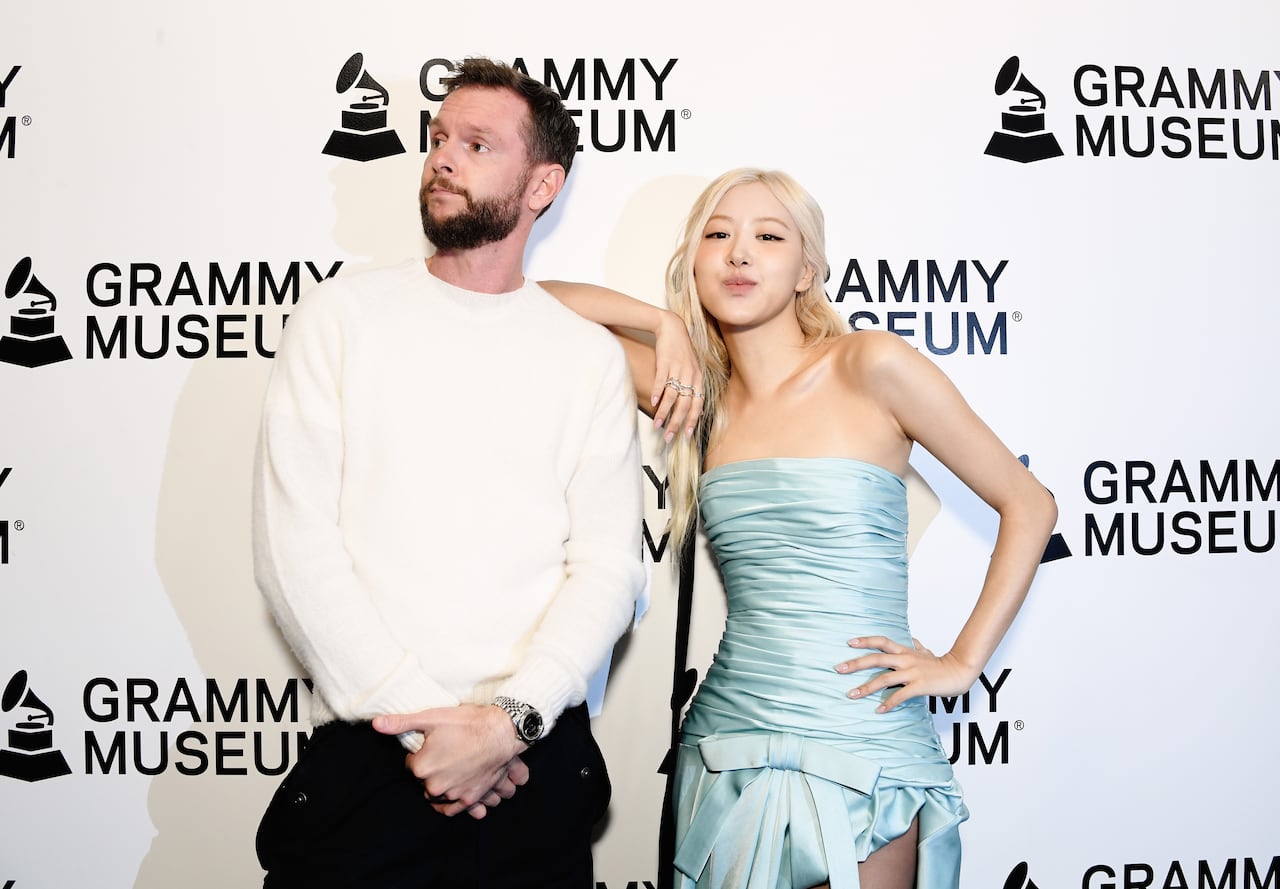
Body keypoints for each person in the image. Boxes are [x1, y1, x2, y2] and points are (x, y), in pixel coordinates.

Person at [544, 168, 1057, 889]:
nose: (739, 253)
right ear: (693, 261)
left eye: (768, 236)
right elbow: (531, 307)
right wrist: (664, 324)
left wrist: (963, 660)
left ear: (806, 271)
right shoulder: (699, 397)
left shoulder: (870, 364)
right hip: (730, 735)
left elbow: (1030, 504)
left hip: (862, 729)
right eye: (717, 235)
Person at [251, 57, 648, 888]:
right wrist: (428, 733)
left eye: (476, 144)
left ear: (543, 185)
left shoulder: (584, 358)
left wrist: (506, 723)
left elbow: (611, 566)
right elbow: (296, 550)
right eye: (437, 139)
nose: (441, 158)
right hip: (371, 764)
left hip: (534, 766)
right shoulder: (340, 317)